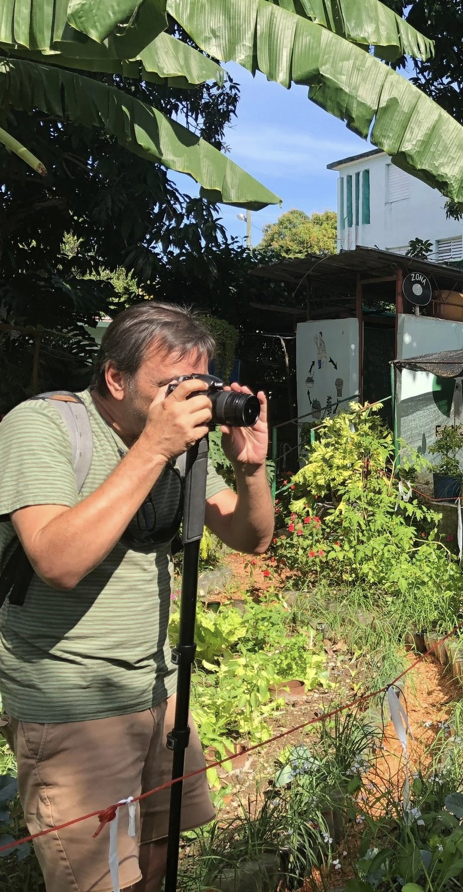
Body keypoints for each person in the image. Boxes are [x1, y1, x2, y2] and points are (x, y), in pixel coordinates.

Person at [0, 303, 274, 892]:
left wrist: (250, 468)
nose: (189, 403)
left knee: (157, 862)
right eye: (171, 387)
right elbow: (57, 561)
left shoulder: (179, 444)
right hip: (72, 701)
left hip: (158, 690)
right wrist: (154, 448)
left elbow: (250, 536)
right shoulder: (43, 425)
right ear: (115, 378)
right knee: (99, 883)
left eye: (198, 386)